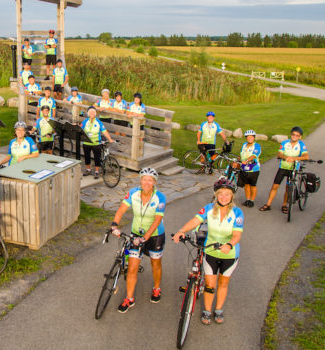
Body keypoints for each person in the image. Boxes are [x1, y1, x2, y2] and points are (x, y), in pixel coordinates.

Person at [172, 178, 243, 325]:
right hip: (210, 251)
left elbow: (237, 235)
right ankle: (207, 310)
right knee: (210, 284)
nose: (223, 197)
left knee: (223, 283)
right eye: (220, 193)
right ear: (216, 195)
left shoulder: (237, 212)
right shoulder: (209, 208)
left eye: (227, 194)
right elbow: (195, 221)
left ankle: (218, 309)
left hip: (229, 254)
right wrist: (181, 231)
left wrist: (229, 245)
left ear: (232, 196)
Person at [110, 168, 167, 313]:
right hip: (135, 234)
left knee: (156, 263)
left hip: (155, 236)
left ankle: (157, 288)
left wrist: (145, 238)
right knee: (132, 267)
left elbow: (157, 221)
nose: (146, 182)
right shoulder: (133, 192)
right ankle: (129, 299)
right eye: (144, 179)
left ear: (154, 182)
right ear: (140, 180)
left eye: (150, 180)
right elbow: (122, 209)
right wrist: (114, 225)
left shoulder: (160, 197)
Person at [259, 126, 309, 213]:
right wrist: (286, 157)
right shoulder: (285, 143)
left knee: (288, 188)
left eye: (297, 135)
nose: (294, 136)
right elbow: (279, 154)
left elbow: (306, 156)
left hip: (293, 168)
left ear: (300, 137)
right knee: (275, 186)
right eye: (293, 134)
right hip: (283, 167)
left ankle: (284, 205)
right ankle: (268, 204)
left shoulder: (301, 145)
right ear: (291, 134)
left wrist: (294, 158)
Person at [81, 106, 114, 179]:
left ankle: (96, 171)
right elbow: (80, 129)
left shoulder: (99, 122)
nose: (92, 113)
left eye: (93, 112)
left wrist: (110, 139)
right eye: (90, 112)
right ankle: (88, 169)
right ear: (88, 113)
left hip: (96, 143)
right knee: (87, 156)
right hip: (86, 142)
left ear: (95, 113)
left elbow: (104, 131)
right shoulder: (85, 121)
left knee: (97, 158)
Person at [239, 130, 261, 207]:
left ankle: (252, 200)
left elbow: (254, 156)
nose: (249, 138)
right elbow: (241, 154)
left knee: (253, 185)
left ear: (254, 137)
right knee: (246, 185)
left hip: (254, 169)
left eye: (251, 137)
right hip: (244, 168)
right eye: (248, 137)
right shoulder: (244, 145)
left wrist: (247, 160)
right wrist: (237, 160)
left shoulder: (257, 146)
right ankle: (247, 199)